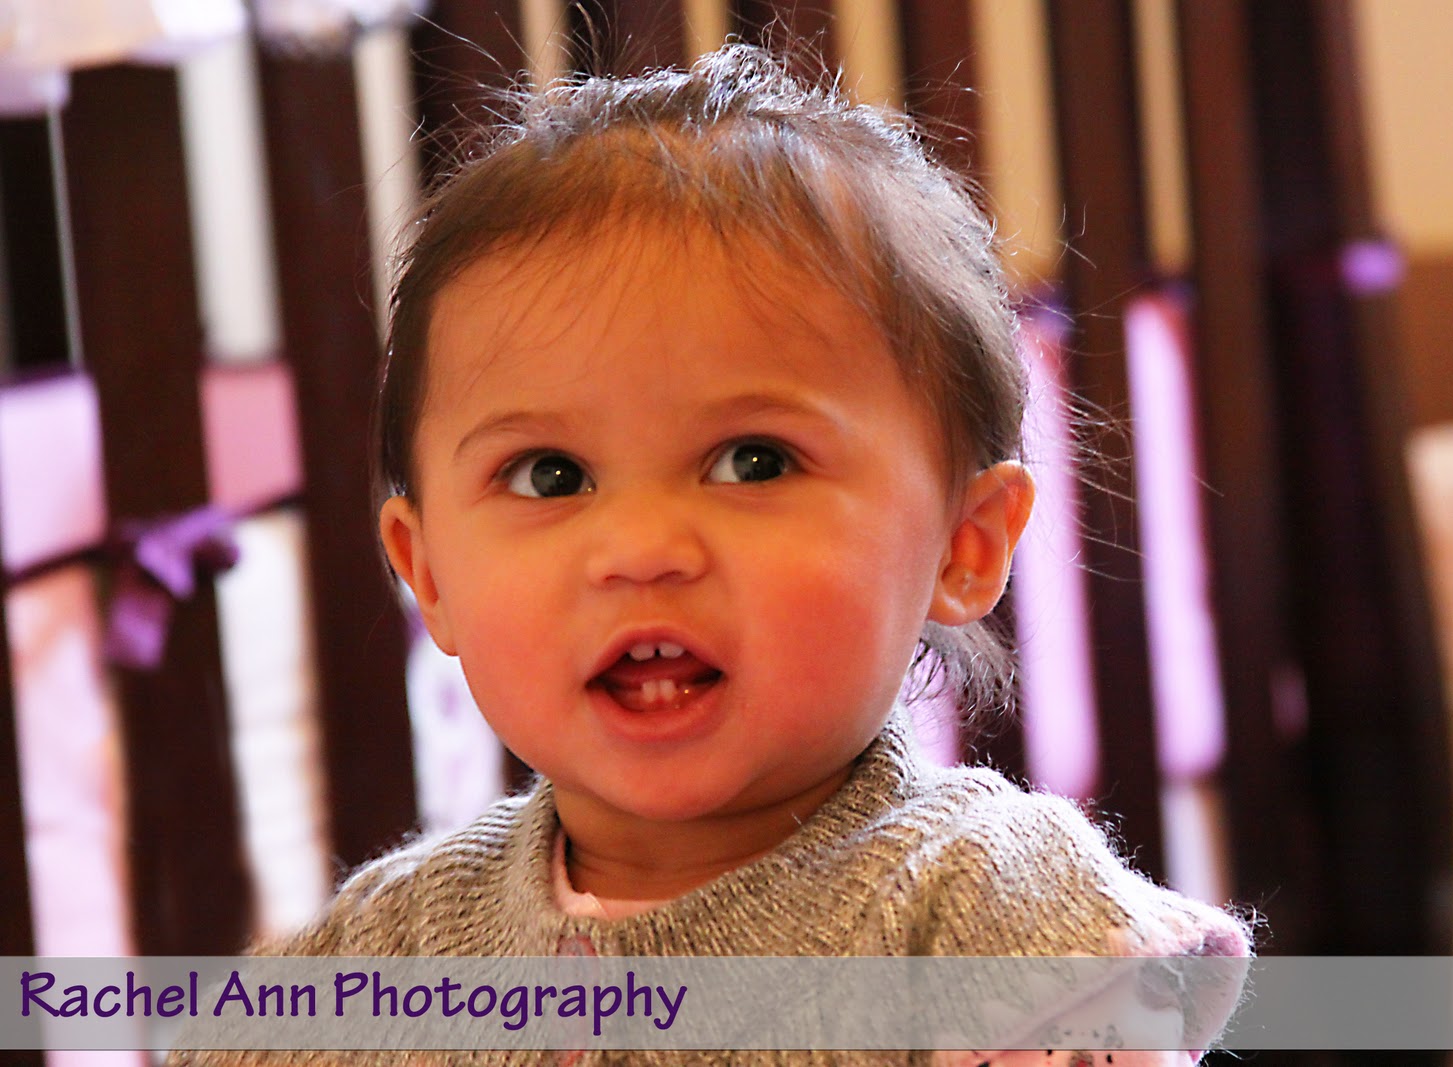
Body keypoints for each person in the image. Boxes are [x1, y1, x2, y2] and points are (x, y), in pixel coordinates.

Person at [173, 43, 1250, 1065]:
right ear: (428, 574)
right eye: (550, 475)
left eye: (753, 461)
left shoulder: (998, 918)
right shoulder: (384, 952)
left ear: (963, 546)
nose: (640, 549)